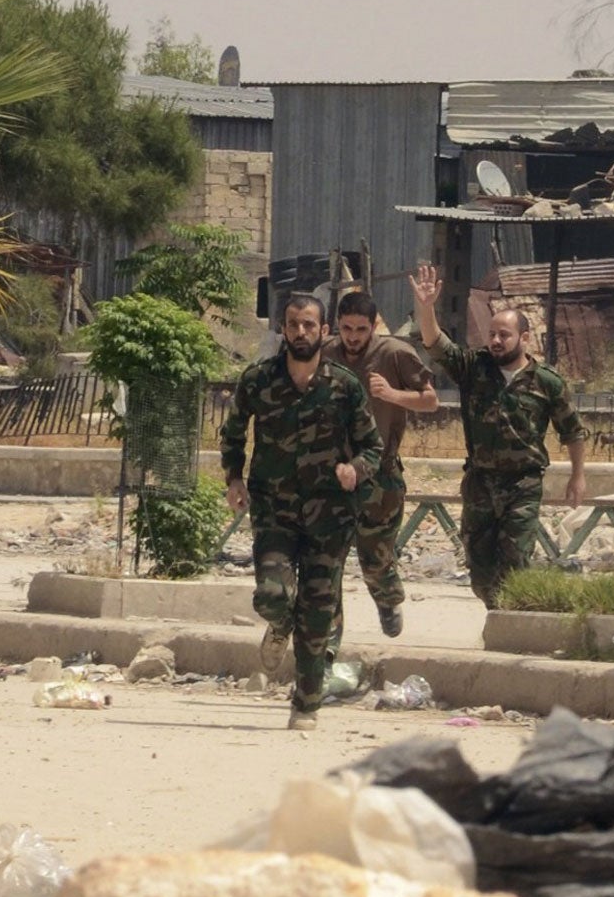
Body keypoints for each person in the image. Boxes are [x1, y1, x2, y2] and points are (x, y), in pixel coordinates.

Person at [219, 292, 383, 730]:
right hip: (274, 510)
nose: (302, 332)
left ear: (323, 331)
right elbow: (233, 432)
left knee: (318, 612)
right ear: (283, 329)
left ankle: (305, 706)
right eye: (294, 324)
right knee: (271, 594)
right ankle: (279, 623)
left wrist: (355, 468)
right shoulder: (257, 380)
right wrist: (234, 478)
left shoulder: (344, 386)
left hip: (330, 516)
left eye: (310, 325)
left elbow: (373, 447)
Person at [411, 262, 587, 607]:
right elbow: (434, 343)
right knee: (480, 569)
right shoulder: (474, 368)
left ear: (524, 338)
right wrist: (427, 306)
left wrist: (577, 477)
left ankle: (511, 620)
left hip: (522, 484)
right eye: (491, 334)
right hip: (480, 482)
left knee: (515, 560)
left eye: (503, 335)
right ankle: (496, 608)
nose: (495, 341)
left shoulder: (546, 382)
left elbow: (573, 432)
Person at [327, 290, 437, 637]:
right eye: (347, 328)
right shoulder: (325, 353)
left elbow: (431, 400)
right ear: (337, 326)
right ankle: (327, 636)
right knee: (326, 562)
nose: (354, 337)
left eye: (361, 329)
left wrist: (391, 395)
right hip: (333, 474)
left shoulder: (394, 353)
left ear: (373, 325)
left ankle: (387, 600)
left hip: (379, 474)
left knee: (375, 559)